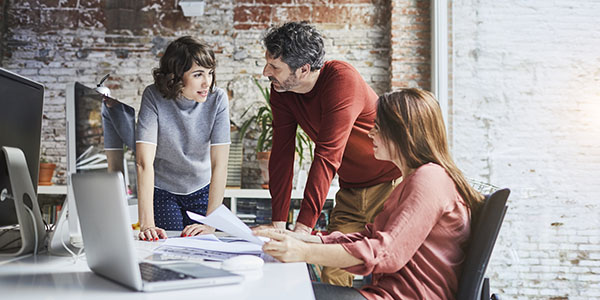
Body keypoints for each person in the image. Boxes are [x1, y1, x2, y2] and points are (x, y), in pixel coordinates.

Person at [254, 88, 484, 300]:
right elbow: (368, 237)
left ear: (402, 133)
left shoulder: (429, 179)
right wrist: (299, 238)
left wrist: (304, 252)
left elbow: (385, 253)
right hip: (384, 294)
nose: (370, 133)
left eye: (378, 126)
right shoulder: (413, 180)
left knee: (280, 291)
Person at [261, 21, 402, 286]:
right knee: (333, 273)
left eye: (275, 66)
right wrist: (279, 223)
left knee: (391, 271)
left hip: (390, 188)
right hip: (351, 192)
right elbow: (282, 153)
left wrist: (302, 229)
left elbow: (327, 155)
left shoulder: (340, 79)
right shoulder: (282, 91)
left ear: (303, 69)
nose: (266, 71)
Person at [136, 36, 230, 241]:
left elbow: (220, 164)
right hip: (164, 191)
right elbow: (144, 162)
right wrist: (147, 224)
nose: (207, 82)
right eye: (198, 74)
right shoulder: (153, 96)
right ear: (177, 75)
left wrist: (211, 222)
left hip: (202, 189)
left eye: (210, 73)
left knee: (203, 247)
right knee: (167, 248)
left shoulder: (218, 99)